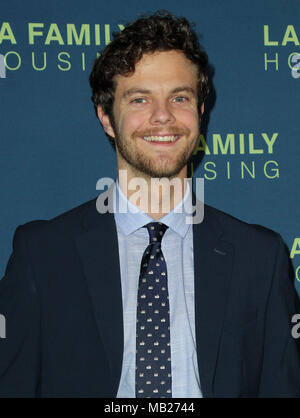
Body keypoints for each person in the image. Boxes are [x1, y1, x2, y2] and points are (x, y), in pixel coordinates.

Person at [0, 10, 299, 398]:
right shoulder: (42, 254)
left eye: (180, 97)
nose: (163, 116)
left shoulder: (260, 258)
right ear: (106, 117)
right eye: (140, 99)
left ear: (200, 111)